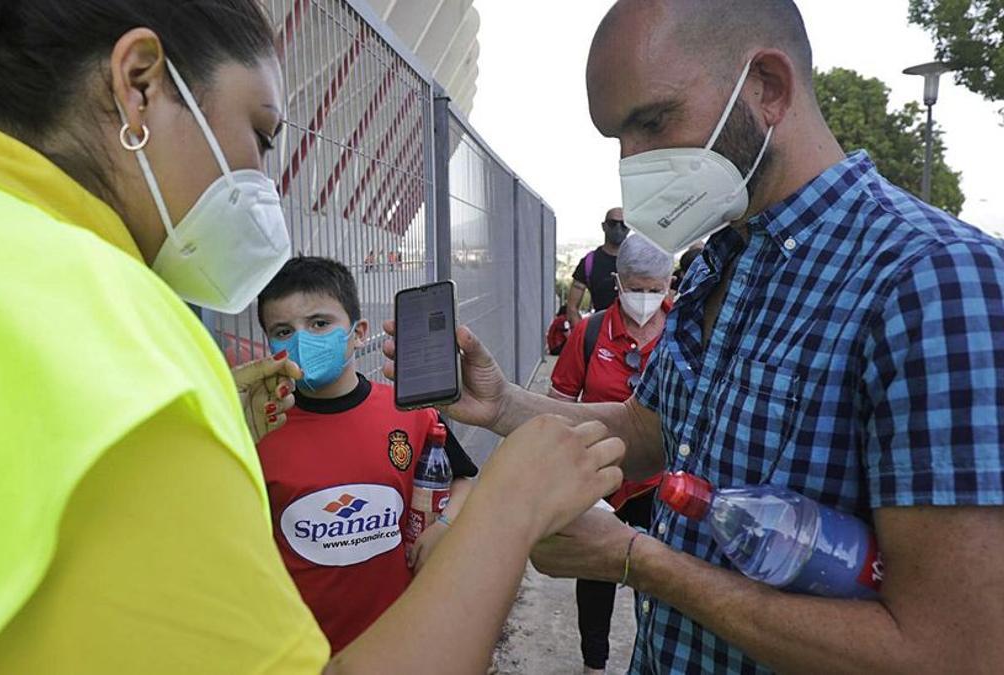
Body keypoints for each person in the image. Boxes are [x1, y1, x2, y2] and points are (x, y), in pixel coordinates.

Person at [0, 2, 626, 673]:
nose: (263, 178)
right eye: (260, 133)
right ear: (138, 84)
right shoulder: (125, 351)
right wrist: (510, 506)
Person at [383, 1, 1004, 672]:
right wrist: (503, 403)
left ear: (768, 87)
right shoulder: (721, 262)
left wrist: (636, 560)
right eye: (618, 139)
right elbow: (647, 429)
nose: (633, 164)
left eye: (653, 122)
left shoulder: (936, 281)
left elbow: (954, 652)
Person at [255, 256, 479, 652]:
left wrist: (445, 526)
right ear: (269, 344)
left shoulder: (410, 411)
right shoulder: (258, 431)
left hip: (399, 640)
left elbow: (462, 479)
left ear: (358, 333)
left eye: (319, 323)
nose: (302, 341)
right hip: (302, 651)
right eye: (283, 331)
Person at [548, 235, 673, 675]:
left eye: (656, 288)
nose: (647, 298)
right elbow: (559, 405)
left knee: (659, 579)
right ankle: (594, 665)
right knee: (596, 571)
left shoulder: (684, 330)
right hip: (600, 478)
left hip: (661, 484)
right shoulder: (591, 332)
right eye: (637, 288)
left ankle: (655, 660)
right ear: (619, 284)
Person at [567, 207, 628, 327]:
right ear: (604, 226)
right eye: (612, 223)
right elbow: (572, 308)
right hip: (600, 331)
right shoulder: (589, 262)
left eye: (623, 224)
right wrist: (584, 334)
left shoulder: (638, 261)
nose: (618, 228)